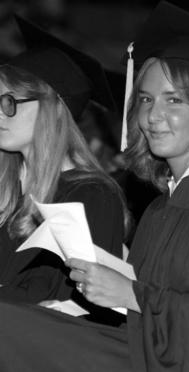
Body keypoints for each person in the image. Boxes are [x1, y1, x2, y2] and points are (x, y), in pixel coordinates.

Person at [0, 2, 189, 371]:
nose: (153, 115)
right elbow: (139, 318)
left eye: (173, 100)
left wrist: (130, 292)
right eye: (145, 99)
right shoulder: (160, 208)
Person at [0, 15, 128, 326]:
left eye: (8, 102)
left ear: (53, 108)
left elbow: (71, 303)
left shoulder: (91, 194)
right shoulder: (9, 186)